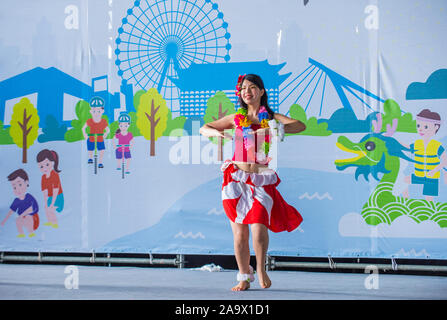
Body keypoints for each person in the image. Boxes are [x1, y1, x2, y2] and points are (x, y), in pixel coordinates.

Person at [200, 74, 306, 291]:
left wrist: (276, 128)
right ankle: (243, 277)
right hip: (235, 179)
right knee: (240, 234)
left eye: (252, 87)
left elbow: (300, 126)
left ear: (262, 92)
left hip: (260, 180)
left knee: (258, 229)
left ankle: (260, 268)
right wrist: (215, 133)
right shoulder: (235, 118)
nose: (247, 92)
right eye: (243, 88)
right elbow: (205, 128)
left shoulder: (271, 117)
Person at [402, 109, 447, 201]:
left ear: (436, 127)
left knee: (429, 199)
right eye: (418, 125)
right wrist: (394, 142)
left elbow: (445, 160)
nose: (420, 129)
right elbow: (406, 147)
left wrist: (435, 170)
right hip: (418, 175)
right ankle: (406, 202)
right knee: (404, 181)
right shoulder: (417, 143)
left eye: (425, 127)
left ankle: (429, 211)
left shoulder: (436, 146)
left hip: (431, 177)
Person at [1, 169, 40, 238]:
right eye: (14, 187)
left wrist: (22, 215)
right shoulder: (16, 200)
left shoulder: (29, 197)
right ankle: (21, 233)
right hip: (22, 220)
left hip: (34, 220)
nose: (17, 189)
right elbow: (11, 211)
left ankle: (31, 232)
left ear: (27, 182)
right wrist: (4, 221)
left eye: (20, 184)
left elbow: (33, 208)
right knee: (17, 220)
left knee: (27, 217)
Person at [37, 149, 64, 228]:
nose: (44, 168)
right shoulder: (43, 177)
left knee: (51, 209)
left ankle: (55, 223)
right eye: (41, 166)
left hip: (58, 197)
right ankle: (49, 221)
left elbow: (56, 190)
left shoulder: (55, 175)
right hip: (50, 197)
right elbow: (44, 191)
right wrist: (46, 203)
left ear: (53, 162)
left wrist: (52, 203)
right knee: (46, 208)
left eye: (47, 164)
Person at [82, 101, 110, 168]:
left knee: (102, 149)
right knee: (90, 148)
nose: (96, 113)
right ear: (91, 111)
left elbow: (108, 129)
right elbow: (83, 128)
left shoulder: (103, 121)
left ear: (102, 111)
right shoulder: (89, 121)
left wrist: (105, 134)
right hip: (91, 137)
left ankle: (100, 162)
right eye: (94, 111)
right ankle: (90, 158)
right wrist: (85, 135)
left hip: (100, 137)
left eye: (99, 111)